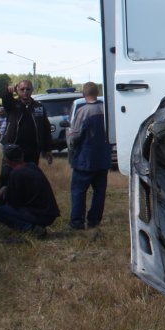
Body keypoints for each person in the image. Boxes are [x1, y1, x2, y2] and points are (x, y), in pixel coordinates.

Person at [67, 82, 111, 230]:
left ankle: (77, 222)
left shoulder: (83, 111)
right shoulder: (107, 110)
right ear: (96, 92)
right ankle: (94, 221)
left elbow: (75, 136)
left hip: (84, 160)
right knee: (99, 193)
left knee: (79, 192)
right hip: (103, 159)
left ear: (83, 94)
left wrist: (71, 146)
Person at [0, 143, 59, 238]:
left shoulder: (16, 173)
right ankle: (34, 227)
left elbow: (15, 203)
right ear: (22, 156)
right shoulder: (32, 166)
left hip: (41, 215)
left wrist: (4, 193)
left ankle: (31, 229)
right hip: (50, 213)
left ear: (6, 160)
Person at [0, 80, 53, 188]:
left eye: (28, 89)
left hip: (32, 151)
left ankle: (27, 203)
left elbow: (46, 129)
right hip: (13, 148)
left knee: (29, 180)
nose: (25, 92)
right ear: (18, 90)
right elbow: (5, 99)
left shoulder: (39, 107)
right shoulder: (12, 105)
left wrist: (48, 149)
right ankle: (4, 202)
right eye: (22, 89)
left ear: (32, 90)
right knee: (7, 177)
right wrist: (9, 90)